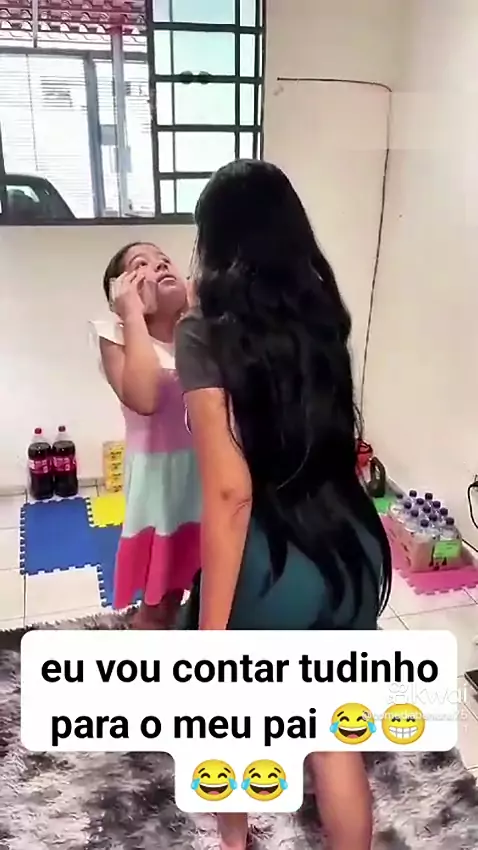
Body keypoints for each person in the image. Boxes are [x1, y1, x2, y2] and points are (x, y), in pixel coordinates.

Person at [175, 161, 392, 850]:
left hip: (273, 569)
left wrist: (209, 639)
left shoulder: (202, 332)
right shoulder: (322, 316)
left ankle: (235, 844)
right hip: (351, 551)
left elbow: (230, 492)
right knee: (334, 739)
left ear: (214, 238)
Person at [90, 242, 201, 629]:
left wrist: (196, 307)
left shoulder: (199, 329)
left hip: (211, 478)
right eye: (142, 264)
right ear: (120, 291)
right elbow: (145, 397)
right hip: (161, 489)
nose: (161, 265)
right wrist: (132, 315)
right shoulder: (115, 335)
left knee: (213, 589)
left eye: (165, 260)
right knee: (161, 603)